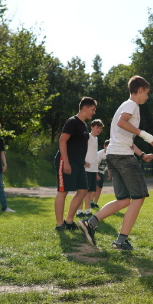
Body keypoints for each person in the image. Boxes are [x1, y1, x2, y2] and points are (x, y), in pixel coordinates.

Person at [78, 75, 153, 250]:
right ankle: (121, 240)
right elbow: (123, 123)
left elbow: (125, 138)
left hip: (114, 156)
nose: (147, 97)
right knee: (139, 197)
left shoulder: (124, 105)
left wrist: (142, 153)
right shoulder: (132, 105)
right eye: (146, 93)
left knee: (123, 200)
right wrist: (146, 135)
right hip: (123, 158)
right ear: (139, 90)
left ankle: (90, 223)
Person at [54, 97, 97, 231]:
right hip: (65, 161)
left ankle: (69, 221)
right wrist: (66, 162)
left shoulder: (83, 125)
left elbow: (77, 145)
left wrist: (82, 160)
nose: (94, 112)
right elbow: (62, 141)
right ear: (84, 108)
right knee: (63, 191)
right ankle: (60, 224)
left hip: (78, 163)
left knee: (83, 190)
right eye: (92, 109)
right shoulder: (72, 122)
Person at [76, 119, 104, 218]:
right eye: (97, 128)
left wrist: (96, 171)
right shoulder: (87, 136)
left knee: (90, 191)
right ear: (92, 127)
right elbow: (78, 149)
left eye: (100, 128)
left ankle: (87, 210)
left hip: (93, 169)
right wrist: (82, 162)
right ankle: (79, 211)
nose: (99, 130)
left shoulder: (96, 139)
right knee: (81, 190)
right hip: (85, 168)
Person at [87, 139, 111, 210]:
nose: (108, 148)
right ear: (104, 146)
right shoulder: (100, 154)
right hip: (95, 171)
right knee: (95, 188)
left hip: (102, 172)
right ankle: (90, 201)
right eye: (107, 146)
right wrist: (96, 174)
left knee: (100, 188)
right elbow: (95, 164)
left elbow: (109, 165)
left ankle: (95, 202)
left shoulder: (110, 155)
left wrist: (109, 174)